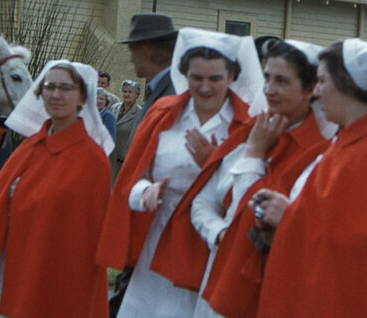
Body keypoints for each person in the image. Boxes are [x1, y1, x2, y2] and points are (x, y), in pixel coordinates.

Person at [250, 39, 367, 317]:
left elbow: (358, 243)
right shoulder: (349, 141)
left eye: (322, 80)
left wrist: (288, 217)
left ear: (348, 85)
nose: (316, 90)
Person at [153, 39, 335, 318]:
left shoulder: (318, 154)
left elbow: (253, 214)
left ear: (310, 89)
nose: (269, 89)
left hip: (270, 288)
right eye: (267, 77)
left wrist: (255, 153)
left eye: (282, 81)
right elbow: (202, 202)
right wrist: (220, 233)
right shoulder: (248, 132)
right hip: (222, 272)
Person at [95, 29, 262, 318]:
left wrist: (214, 164)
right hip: (157, 234)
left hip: (207, 240)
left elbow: (250, 193)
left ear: (232, 77)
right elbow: (132, 178)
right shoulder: (163, 113)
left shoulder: (247, 124)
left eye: (215, 79)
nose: (205, 87)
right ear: (184, 75)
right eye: (197, 78)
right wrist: (144, 193)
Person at [0, 61, 113, 317]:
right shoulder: (28, 148)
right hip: (7, 269)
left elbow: (85, 244)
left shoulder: (93, 160)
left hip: (51, 278)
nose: (55, 94)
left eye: (66, 88)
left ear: (82, 98)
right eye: (49, 87)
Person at [121, 13, 178, 116]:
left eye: (133, 52)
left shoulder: (172, 95)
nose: (131, 60)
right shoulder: (163, 88)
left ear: (146, 50)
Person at [110, 79, 144, 176]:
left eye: (130, 92)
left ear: (137, 95)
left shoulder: (140, 113)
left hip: (125, 159)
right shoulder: (114, 108)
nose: (127, 94)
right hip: (111, 157)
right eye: (125, 91)